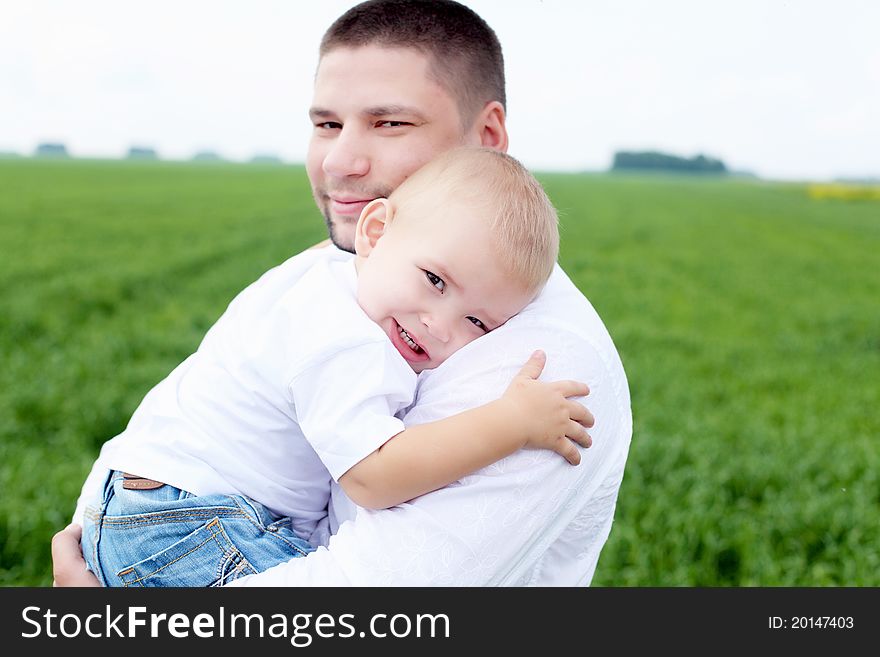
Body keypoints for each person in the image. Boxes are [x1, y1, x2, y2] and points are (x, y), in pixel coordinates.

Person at [53, 0, 632, 587]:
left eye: (389, 123)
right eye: (327, 124)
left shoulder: (545, 366)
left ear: (486, 137)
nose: (339, 161)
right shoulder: (329, 275)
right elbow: (165, 425)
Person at [77, 147, 592, 587]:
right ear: (373, 232)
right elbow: (373, 476)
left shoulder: (328, 281)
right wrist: (512, 423)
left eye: (477, 322)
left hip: (154, 507)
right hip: (185, 522)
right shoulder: (344, 340)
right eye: (435, 280)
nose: (440, 325)